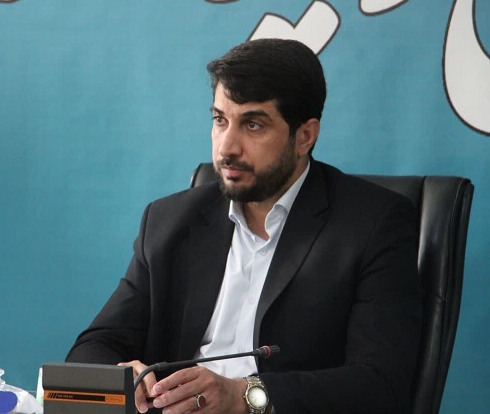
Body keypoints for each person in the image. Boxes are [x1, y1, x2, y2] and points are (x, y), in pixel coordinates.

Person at [66, 39, 422, 414]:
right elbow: (93, 348)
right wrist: (125, 377)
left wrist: (244, 396)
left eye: (253, 125)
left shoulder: (373, 224)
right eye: (220, 120)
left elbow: (380, 386)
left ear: (304, 136)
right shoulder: (170, 221)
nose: (227, 148)